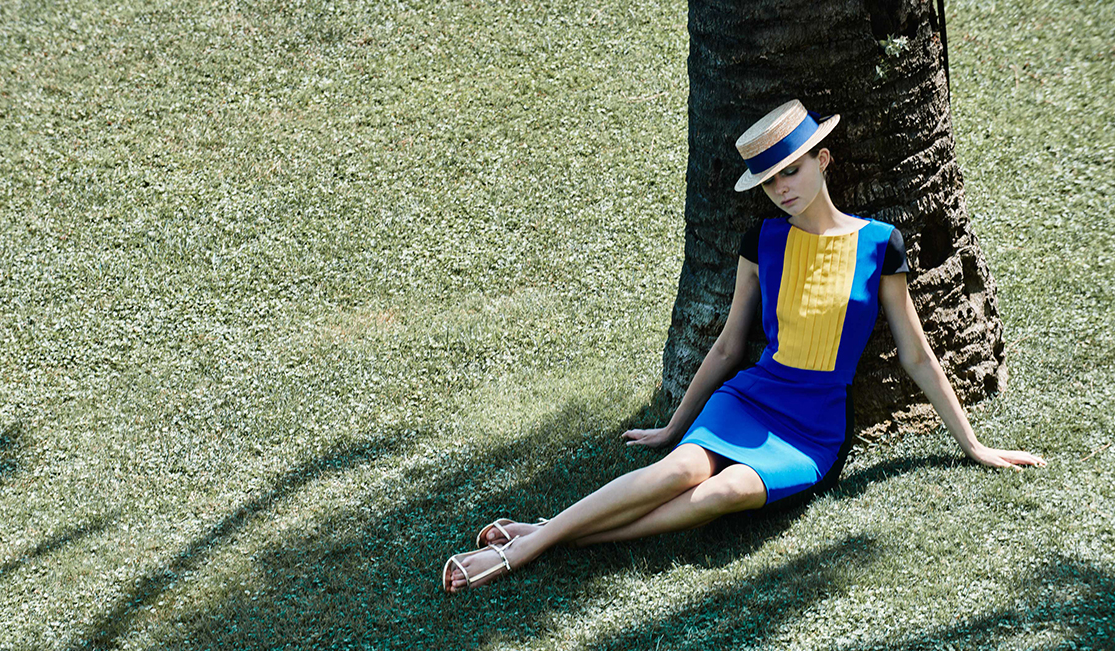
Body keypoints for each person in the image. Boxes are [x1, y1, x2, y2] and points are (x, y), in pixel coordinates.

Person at [442, 99, 1045, 593]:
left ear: (823, 159)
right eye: (770, 180)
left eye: (793, 170)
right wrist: (673, 427)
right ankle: (528, 549)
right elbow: (730, 346)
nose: (782, 188)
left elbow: (915, 354)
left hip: (813, 428)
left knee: (723, 492)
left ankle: (545, 534)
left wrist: (974, 446)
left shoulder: (881, 244)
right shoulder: (763, 240)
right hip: (752, 398)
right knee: (680, 469)